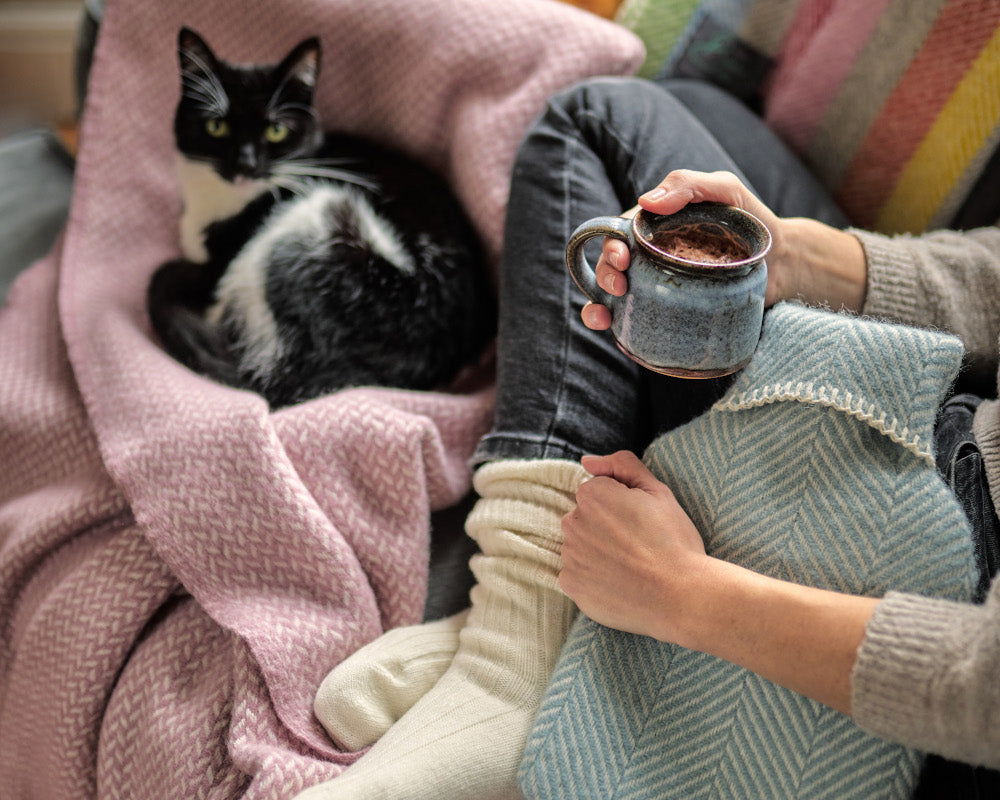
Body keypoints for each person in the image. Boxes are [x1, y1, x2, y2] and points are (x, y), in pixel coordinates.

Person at [297, 75, 1000, 799]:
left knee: (596, 120)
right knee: (700, 107)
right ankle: (533, 625)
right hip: (969, 411)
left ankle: (511, 658)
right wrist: (796, 258)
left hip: (946, 540)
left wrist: (683, 593)